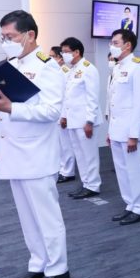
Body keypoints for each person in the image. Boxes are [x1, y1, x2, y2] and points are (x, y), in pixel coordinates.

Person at [0, 10, 70, 278]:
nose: (6, 42)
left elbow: (51, 111)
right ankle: (38, 263)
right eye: (2, 37)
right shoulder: (12, 66)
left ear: (30, 35)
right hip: (15, 151)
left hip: (37, 153)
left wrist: (10, 108)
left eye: (10, 36)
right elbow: (11, 107)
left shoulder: (47, 67)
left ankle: (58, 269)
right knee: (27, 217)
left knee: (46, 216)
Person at [106, 29, 140, 225]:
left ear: (128, 45)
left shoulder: (138, 67)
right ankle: (130, 204)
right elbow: (113, 101)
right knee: (122, 171)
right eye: (112, 42)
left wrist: (134, 134)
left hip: (129, 131)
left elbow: (139, 104)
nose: (112, 46)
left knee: (135, 171)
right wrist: (110, 131)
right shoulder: (117, 67)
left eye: (115, 43)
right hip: (117, 129)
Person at [58, 37, 102, 199]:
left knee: (89, 155)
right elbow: (67, 96)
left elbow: (92, 98)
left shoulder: (88, 69)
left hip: (85, 121)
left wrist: (89, 121)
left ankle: (93, 185)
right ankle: (86, 183)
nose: (63, 55)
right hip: (73, 120)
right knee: (80, 155)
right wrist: (64, 116)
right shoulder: (72, 70)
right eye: (62, 52)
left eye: (66, 51)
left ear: (77, 52)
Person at [50, 46, 77, 183]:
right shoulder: (54, 72)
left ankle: (68, 172)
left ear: (60, 58)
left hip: (63, 114)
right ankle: (62, 169)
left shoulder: (66, 72)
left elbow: (67, 96)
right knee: (59, 145)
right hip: (55, 113)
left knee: (66, 145)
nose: (49, 59)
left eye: (52, 56)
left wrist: (64, 116)